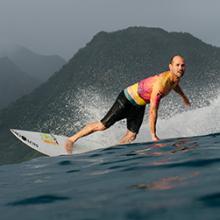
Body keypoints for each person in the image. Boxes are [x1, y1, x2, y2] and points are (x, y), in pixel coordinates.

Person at [65, 55, 190, 154]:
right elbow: (153, 110)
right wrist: (154, 136)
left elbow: (175, 86)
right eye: (177, 65)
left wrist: (183, 97)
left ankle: (115, 150)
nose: (180, 68)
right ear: (170, 67)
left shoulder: (174, 79)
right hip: (127, 100)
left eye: (182, 65)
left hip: (139, 105)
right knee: (102, 126)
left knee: (131, 135)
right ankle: (71, 139)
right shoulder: (161, 83)